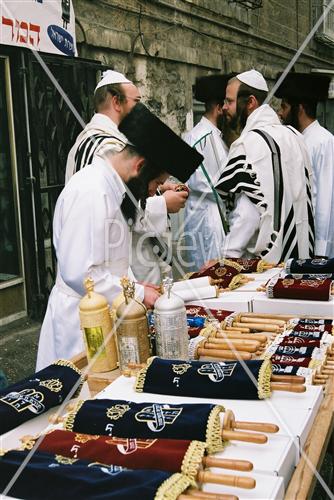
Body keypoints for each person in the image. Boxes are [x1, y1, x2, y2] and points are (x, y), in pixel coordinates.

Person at [36, 103, 202, 370]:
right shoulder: (92, 191)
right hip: (81, 325)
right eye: (156, 184)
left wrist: (138, 287)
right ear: (140, 165)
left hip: (105, 314)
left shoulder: (113, 186)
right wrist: (136, 292)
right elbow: (80, 274)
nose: (153, 193)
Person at [66, 69, 188, 284]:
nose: (141, 109)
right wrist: (162, 204)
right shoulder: (104, 146)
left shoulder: (103, 140)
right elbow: (114, 210)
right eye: (137, 101)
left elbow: (126, 191)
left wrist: (158, 188)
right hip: (122, 261)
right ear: (116, 102)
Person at [215, 69, 314, 263]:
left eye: (229, 101)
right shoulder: (295, 136)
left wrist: (227, 257)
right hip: (300, 262)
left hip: (264, 268)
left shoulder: (248, 144)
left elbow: (247, 215)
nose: (224, 107)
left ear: (250, 102)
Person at [275, 72, 334, 258]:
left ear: (299, 108)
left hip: (316, 248)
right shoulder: (294, 140)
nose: (280, 113)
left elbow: (326, 200)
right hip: (296, 242)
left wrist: (320, 252)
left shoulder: (324, 142)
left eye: (284, 107)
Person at [183, 74, 230, 271]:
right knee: (208, 271)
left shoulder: (206, 135)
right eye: (225, 105)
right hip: (207, 216)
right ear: (218, 108)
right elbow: (210, 183)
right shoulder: (203, 136)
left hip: (205, 214)